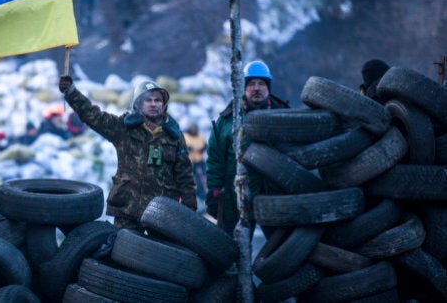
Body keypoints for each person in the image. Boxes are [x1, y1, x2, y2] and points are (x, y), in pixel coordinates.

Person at [59, 76, 196, 230]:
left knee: (161, 253)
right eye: (148, 100)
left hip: (162, 213)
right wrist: (71, 92)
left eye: (158, 100)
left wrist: (189, 209)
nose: (153, 104)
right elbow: (93, 115)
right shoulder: (123, 128)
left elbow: (185, 175)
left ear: (164, 105)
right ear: (138, 104)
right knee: (121, 251)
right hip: (128, 209)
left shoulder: (174, 136)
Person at [205, 60, 289, 235]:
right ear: (243, 88)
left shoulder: (286, 116)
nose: (256, 88)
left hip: (274, 197)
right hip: (236, 199)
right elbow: (215, 158)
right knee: (232, 252)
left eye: (261, 83)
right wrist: (213, 191)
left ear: (268, 87)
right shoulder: (228, 120)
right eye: (251, 84)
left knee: (283, 251)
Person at [183, 123, 207, 210]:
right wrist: (189, 148)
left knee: (203, 177)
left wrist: (201, 149)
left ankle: (204, 196)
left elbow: (204, 145)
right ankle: (197, 196)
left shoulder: (199, 136)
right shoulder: (185, 136)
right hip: (190, 161)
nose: (194, 131)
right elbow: (184, 146)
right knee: (194, 179)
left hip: (199, 160)